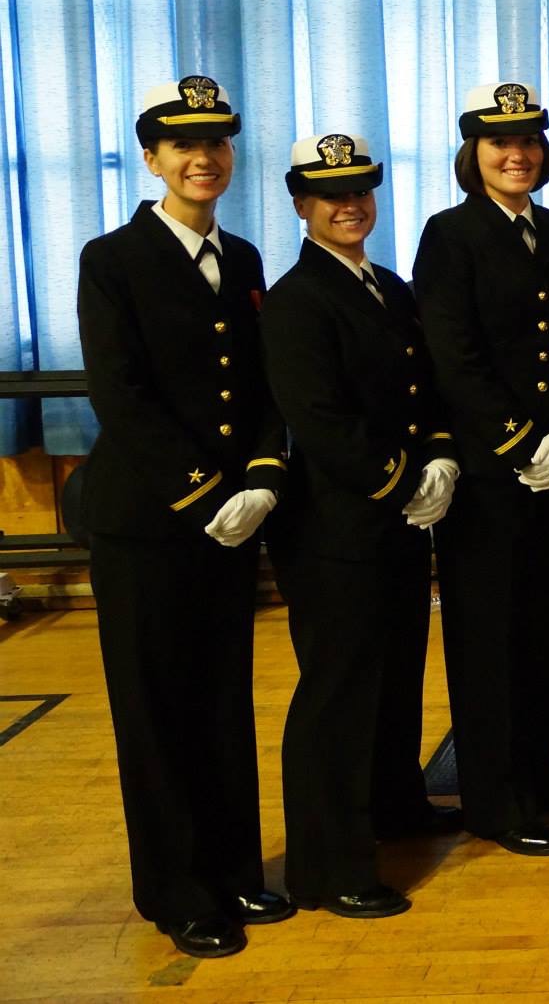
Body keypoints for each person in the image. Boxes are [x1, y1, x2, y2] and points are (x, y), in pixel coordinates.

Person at [74, 77, 293, 958]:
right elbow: (120, 394)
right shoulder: (112, 258)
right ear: (152, 158)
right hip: (150, 523)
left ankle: (235, 869)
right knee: (157, 712)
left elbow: (260, 383)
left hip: (231, 519)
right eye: (184, 145)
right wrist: (208, 492)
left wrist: (264, 476)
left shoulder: (242, 258)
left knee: (221, 702)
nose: (204, 158)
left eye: (217, 143)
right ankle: (177, 893)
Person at [262, 132, 457, 919]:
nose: (350, 205)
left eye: (360, 191)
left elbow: (424, 389)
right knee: (338, 695)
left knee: (395, 676)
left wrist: (440, 460)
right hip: (334, 531)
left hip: (396, 523)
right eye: (331, 195)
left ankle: (394, 807)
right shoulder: (295, 300)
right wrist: (404, 482)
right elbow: (321, 421)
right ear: (301, 205)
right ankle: (328, 865)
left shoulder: (390, 288)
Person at [412, 81, 549, 857]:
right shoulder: (449, 235)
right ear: (474, 153)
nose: (516, 155)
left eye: (527, 142)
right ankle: (494, 798)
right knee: (488, 638)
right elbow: (453, 355)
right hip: (490, 475)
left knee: (538, 629)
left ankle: (538, 773)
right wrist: (520, 441)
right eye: (499, 143)